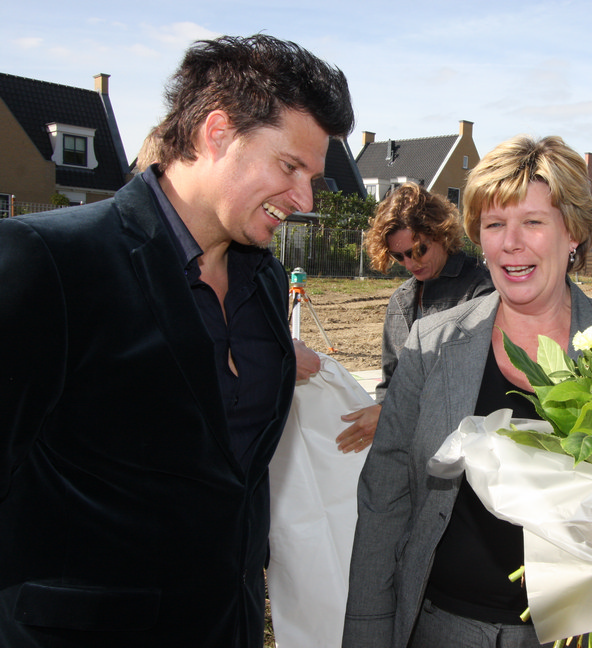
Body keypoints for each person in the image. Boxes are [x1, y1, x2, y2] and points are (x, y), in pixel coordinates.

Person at [0, 34, 354, 648]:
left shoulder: (267, 280)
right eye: (289, 167)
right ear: (217, 132)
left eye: (313, 178)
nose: (303, 199)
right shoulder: (48, 261)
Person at [343, 135, 592, 648]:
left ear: (573, 233)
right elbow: (385, 500)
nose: (511, 243)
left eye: (533, 222)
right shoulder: (431, 343)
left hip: (579, 634)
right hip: (442, 628)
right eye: (494, 225)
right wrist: (366, 633)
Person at [334, 182, 493, 453]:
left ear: (441, 233)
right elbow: (390, 386)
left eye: (418, 250)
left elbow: (471, 387)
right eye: (398, 256)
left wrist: (392, 416)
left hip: (467, 451)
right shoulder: (400, 300)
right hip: (411, 450)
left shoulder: (482, 290)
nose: (410, 264)